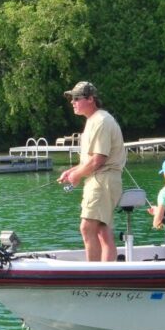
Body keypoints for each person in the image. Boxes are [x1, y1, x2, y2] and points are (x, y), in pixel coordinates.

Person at [57, 81, 126, 262]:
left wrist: (77, 175)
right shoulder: (94, 120)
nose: (72, 102)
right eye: (72, 98)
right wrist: (72, 171)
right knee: (102, 231)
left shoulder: (100, 121)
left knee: (87, 228)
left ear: (90, 99)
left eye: (76, 98)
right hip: (102, 180)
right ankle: (106, 272)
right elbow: (90, 160)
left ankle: (93, 272)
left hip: (102, 181)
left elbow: (99, 159)